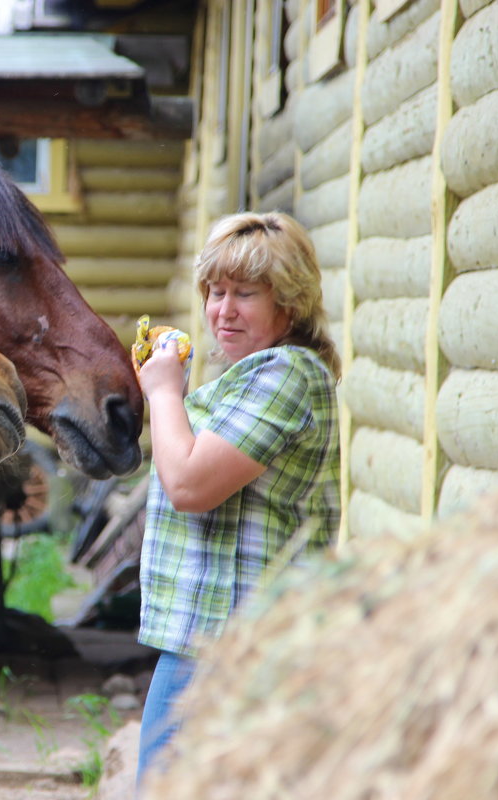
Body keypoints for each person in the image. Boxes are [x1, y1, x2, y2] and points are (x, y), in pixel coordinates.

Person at [134, 212, 341, 790]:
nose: (223, 311)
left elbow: (190, 486)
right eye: (215, 292)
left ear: (289, 305)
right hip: (212, 637)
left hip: (235, 645)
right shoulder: (250, 374)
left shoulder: (288, 374)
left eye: (244, 295)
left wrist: (164, 391)